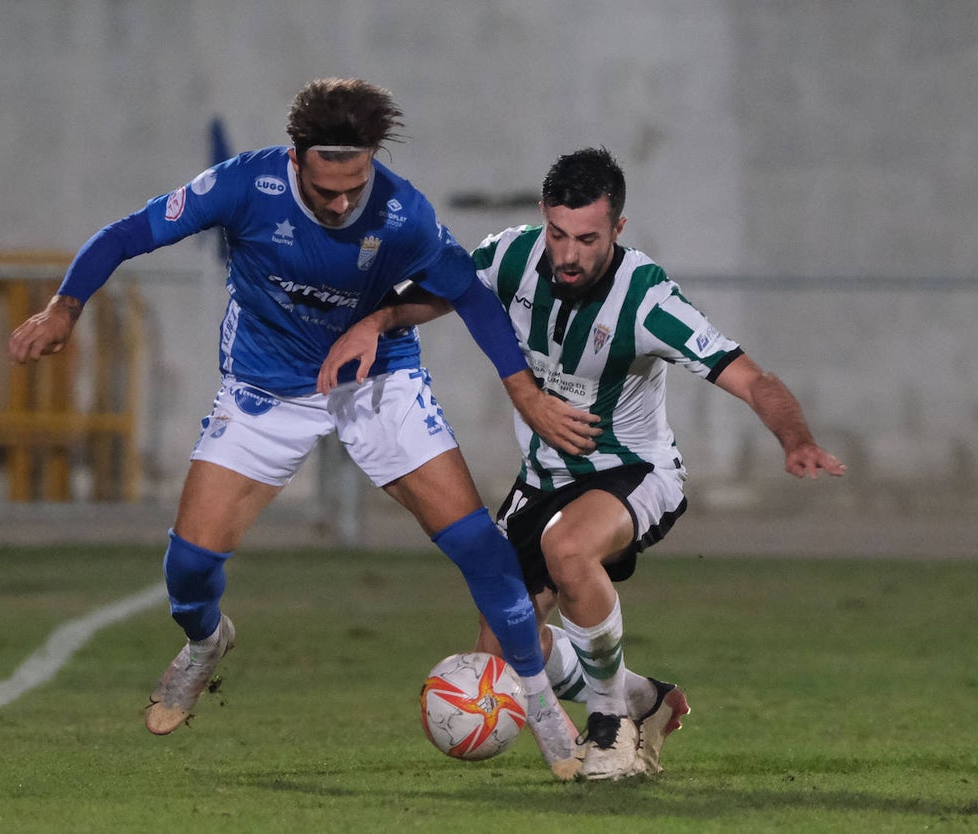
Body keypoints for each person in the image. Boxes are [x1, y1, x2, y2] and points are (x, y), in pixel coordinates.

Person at [6, 79, 602, 781]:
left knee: (478, 544)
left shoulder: (402, 212)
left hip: (377, 380)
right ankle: (205, 644)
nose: (344, 203)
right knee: (190, 568)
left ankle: (540, 707)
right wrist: (64, 308)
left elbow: (467, 292)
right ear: (295, 161)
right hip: (266, 385)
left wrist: (523, 393)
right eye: (327, 192)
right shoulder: (242, 185)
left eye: (356, 186)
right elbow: (128, 233)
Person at [318, 146, 846, 781]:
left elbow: (754, 379)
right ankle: (645, 699)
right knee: (508, 657)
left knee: (570, 550)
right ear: (544, 216)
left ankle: (609, 724)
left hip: (634, 473)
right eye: (559, 234)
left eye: (587, 239)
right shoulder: (513, 255)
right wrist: (374, 322)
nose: (568, 254)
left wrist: (797, 438)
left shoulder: (647, 300)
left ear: (618, 229)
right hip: (541, 481)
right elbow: (433, 293)